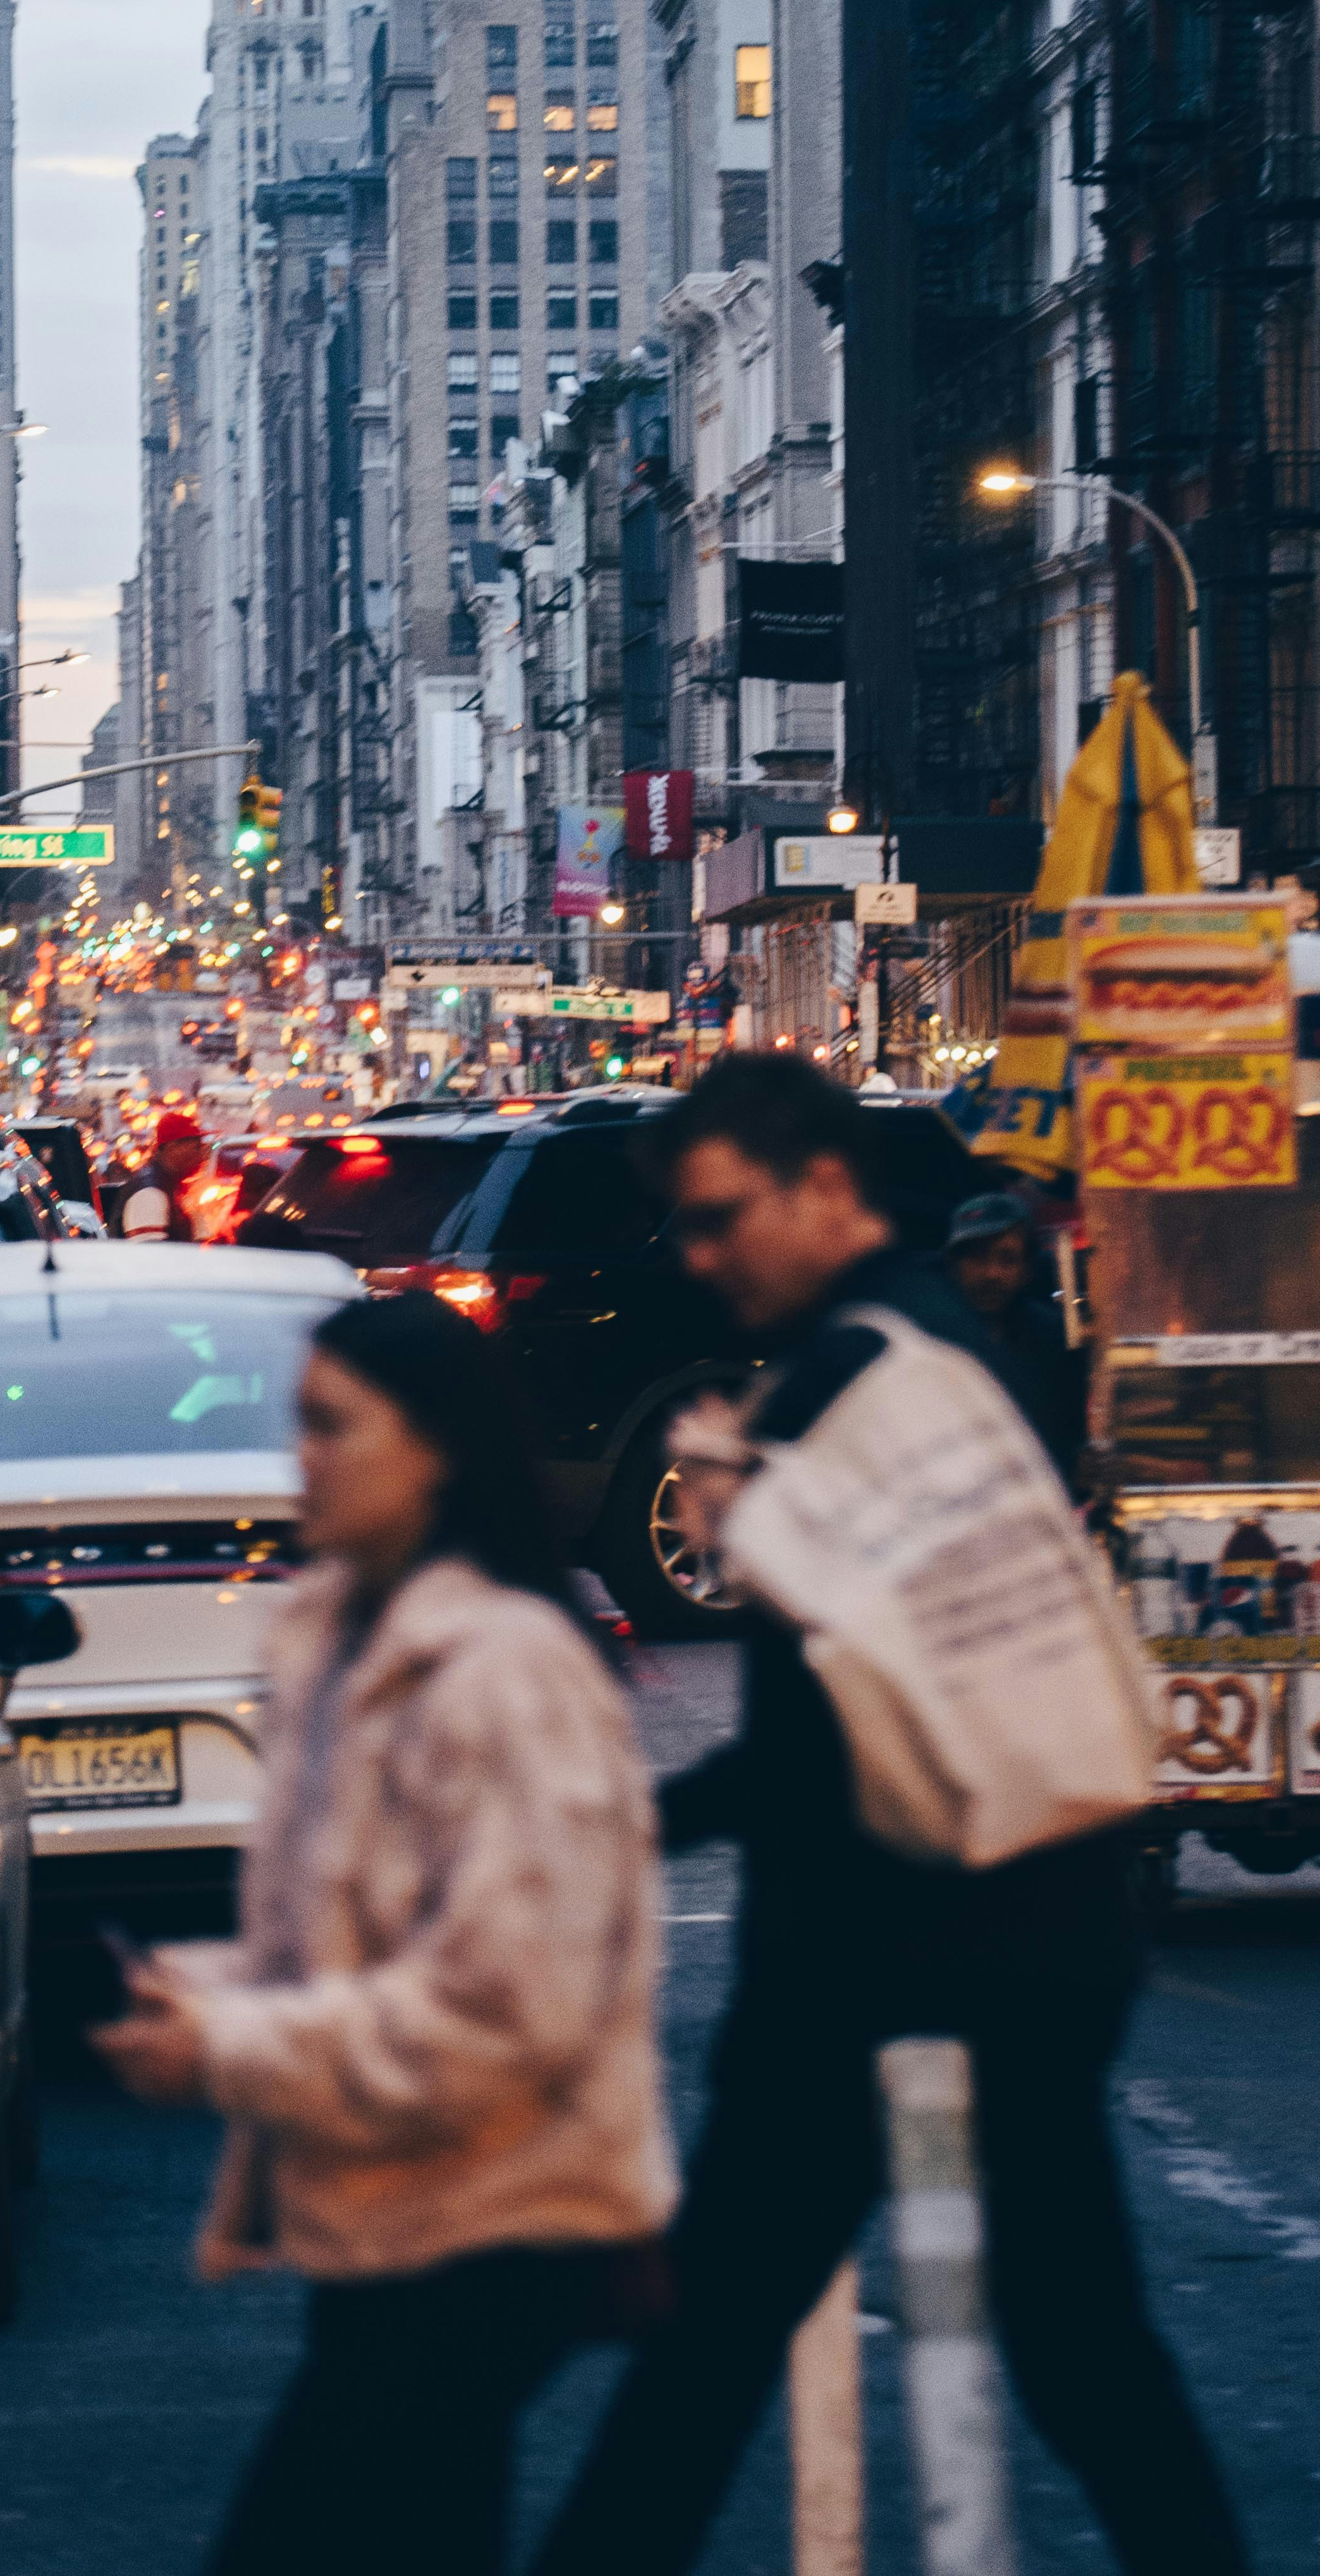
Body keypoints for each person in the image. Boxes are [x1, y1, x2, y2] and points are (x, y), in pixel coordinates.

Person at [530, 1054, 1244, 2576]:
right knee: (1065, 2340)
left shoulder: (861, 1374)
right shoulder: (907, 1348)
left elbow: (826, 1716)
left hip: (897, 1947)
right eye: (683, 1226)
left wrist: (638, 1824)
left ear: (825, 1190)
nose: (698, 1256)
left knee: (718, 2351)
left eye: (719, 1218)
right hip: (1014, 1929)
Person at [96, 1294, 675, 2576]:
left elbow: (511, 2004)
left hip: (496, 2212)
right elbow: (336, 1934)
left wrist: (233, 2043)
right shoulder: (331, 1636)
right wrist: (194, 1997)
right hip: (382, 2206)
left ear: (434, 1448)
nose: (298, 1457)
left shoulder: (504, 1668)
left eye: (329, 1427)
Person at [945, 1183, 1087, 1484]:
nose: (992, 1273)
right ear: (953, 1266)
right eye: (977, 1258)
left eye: (1007, 1259)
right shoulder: (930, 1339)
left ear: (1027, 1270)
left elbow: (1070, 1440)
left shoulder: (1053, 1340)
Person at [118, 1107, 205, 1240]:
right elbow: (151, 1255)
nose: (201, 1155)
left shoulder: (168, 1185)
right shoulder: (149, 1193)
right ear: (172, 1149)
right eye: (196, 1147)